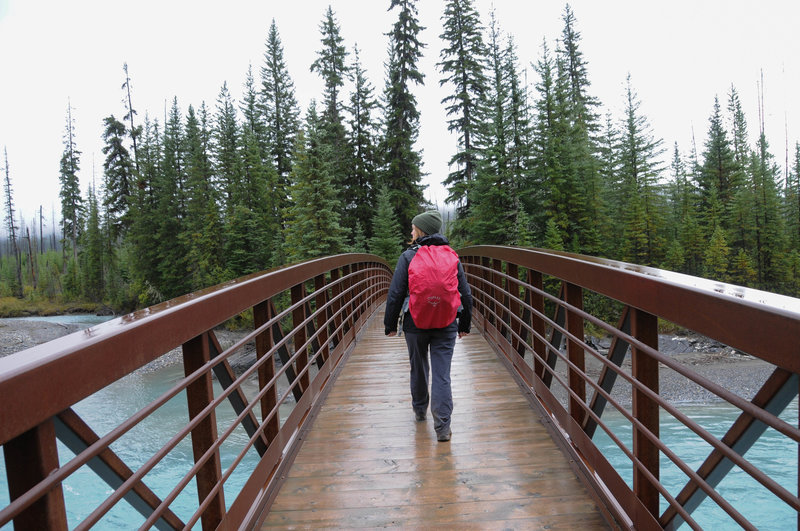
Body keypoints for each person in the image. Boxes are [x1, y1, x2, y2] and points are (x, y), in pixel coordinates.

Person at [384, 210, 472, 442]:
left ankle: (420, 410)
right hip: (446, 323)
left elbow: (395, 294)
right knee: (442, 375)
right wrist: (465, 323)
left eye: (413, 228)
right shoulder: (452, 255)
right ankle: (443, 427)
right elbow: (465, 293)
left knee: (419, 367)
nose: (411, 232)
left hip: (415, 322)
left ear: (421, 230)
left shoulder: (408, 256)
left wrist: (390, 324)